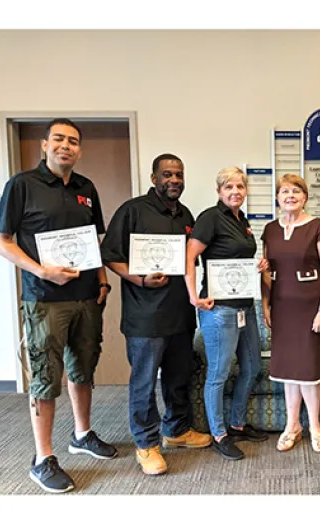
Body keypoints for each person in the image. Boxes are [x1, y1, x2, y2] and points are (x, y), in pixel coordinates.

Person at [0, 118, 117, 493]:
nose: (67, 146)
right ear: (44, 145)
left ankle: (81, 434)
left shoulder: (87, 188)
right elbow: (4, 240)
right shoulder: (21, 186)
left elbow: (92, 241)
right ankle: (42, 457)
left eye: (74, 141)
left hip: (85, 297)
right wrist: (41, 270)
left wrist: (100, 279)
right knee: (46, 375)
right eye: (60, 140)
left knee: (83, 367)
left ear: (79, 150)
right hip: (45, 299)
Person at [101, 153, 212, 476]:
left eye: (178, 174)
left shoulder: (186, 215)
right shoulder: (132, 211)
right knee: (144, 382)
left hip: (179, 313)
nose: (174, 180)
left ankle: (176, 431)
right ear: (154, 178)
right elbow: (110, 255)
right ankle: (146, 443)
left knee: (179, 377)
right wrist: (139, 279)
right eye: (167, 174)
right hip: (145, 317)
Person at [185, 166, 269, 461]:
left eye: (240, 187)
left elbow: (239, 258)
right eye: (229, 187)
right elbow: (190, 255)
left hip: (245, 305)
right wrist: (193, 295)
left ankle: (236, 424)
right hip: (219, 310)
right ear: (219, 191)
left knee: (253, 367)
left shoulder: (241, 221)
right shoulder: (211, 217)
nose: (236, 192)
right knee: (218, 374)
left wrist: (258, 265)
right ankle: (219, 433)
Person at [261, 174, 320, 453]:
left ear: (305, 196)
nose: (290, 195)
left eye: (296, 191)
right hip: (283, 307)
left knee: (309, 370)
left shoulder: (319, 227)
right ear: (278, 198)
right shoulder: (270, 229)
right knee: (287, 370)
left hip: (310, 308)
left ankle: (314, 426)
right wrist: (266, 306)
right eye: (284, 191)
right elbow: (268, 272)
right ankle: (291, 425)